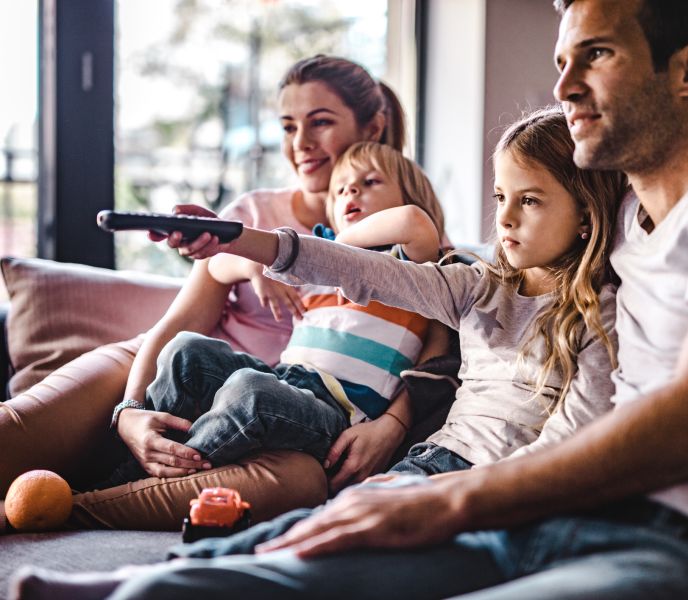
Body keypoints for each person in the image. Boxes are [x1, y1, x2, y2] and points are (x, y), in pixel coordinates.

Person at [11, 0, 688, 598]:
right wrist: (237, 240)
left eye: (595, 55)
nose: (563, 86)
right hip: (586, 514)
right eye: (562, 61)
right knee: (233, 574)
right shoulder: (624, 221)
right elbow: (371, 271)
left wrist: (452, 499)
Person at [10, 105, 626, 599]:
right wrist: (241, 240)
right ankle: (137, 575)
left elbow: (568, 438)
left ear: (586, 213)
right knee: (301, 524)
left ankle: (127, 563)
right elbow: (349, 269)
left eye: (531, 199)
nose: (506, 219)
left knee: (314, 536)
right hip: (417, 455)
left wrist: (462, 490)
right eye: (499, 198)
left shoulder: (589, 316)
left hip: (456, 470)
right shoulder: (477, 284)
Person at [1, 54, 433, 529]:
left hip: (282, 424)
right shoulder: (252, 212)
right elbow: (177, 327)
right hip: (154, 377)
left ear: (372, 125)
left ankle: (82, 503)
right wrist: (130, 411)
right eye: (288, 127)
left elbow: (446, 350)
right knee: (15, 436)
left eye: (320, 122)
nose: (301, 144)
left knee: (300, 480)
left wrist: (393, 423)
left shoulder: (413, 238)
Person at [93, 141, 446, 489]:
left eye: (370, 182)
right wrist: (253, 265)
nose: (351, 190)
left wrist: (339, 245)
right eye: (340, 190)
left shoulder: (414, 269)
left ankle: (140, 484)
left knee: (249, 391)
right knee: (186, 352)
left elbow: (414, 222)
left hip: (339, 413)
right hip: (284, 379)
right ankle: (145, 456)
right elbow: (218, 266)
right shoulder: (320, 262)